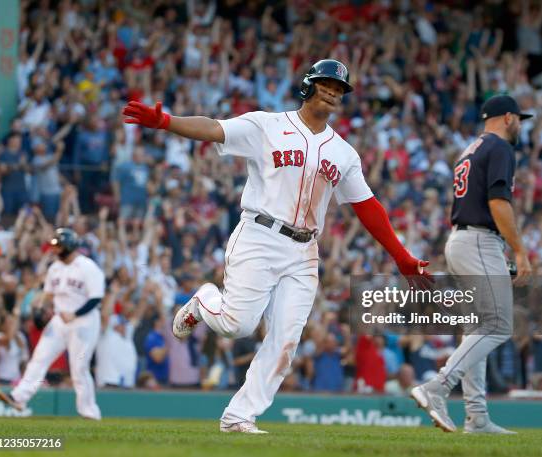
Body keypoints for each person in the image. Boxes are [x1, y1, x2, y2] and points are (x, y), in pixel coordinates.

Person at [123, 59, 432, 433]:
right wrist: (167, 122)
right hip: (260, 235)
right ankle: (204, 302)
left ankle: (239, 416)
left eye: (339, 89)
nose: (332, 92)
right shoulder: (267, 125)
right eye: (326, 84)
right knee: (237, 325)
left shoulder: (344, 153)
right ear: (308, 86)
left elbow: (368, 207)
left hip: (304, 251)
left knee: (286, 341)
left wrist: (401, 257)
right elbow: (214, 129)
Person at [411, 95, 533, 434]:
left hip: (464, 240)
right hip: (478, 239)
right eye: (519, 119)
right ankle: (436, 387)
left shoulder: (471, 149)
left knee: (479, 327)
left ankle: (477, 416)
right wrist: (520, 250)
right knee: (498, 325)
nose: (520, 125)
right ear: (508, 117)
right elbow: (498, 202)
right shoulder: (500, 148)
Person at [0, 228, 106, 420]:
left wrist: (75, 313)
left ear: (70, 245)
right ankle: (18, 397)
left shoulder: (88, 267)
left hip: (85, 321)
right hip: (59, 320)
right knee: (39, 358)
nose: (55, 249)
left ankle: (89, 412)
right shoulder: (55, 268)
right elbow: (48, 294)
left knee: (79, 367)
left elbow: (96, 298)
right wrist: (40, 303)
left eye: (59, 245)